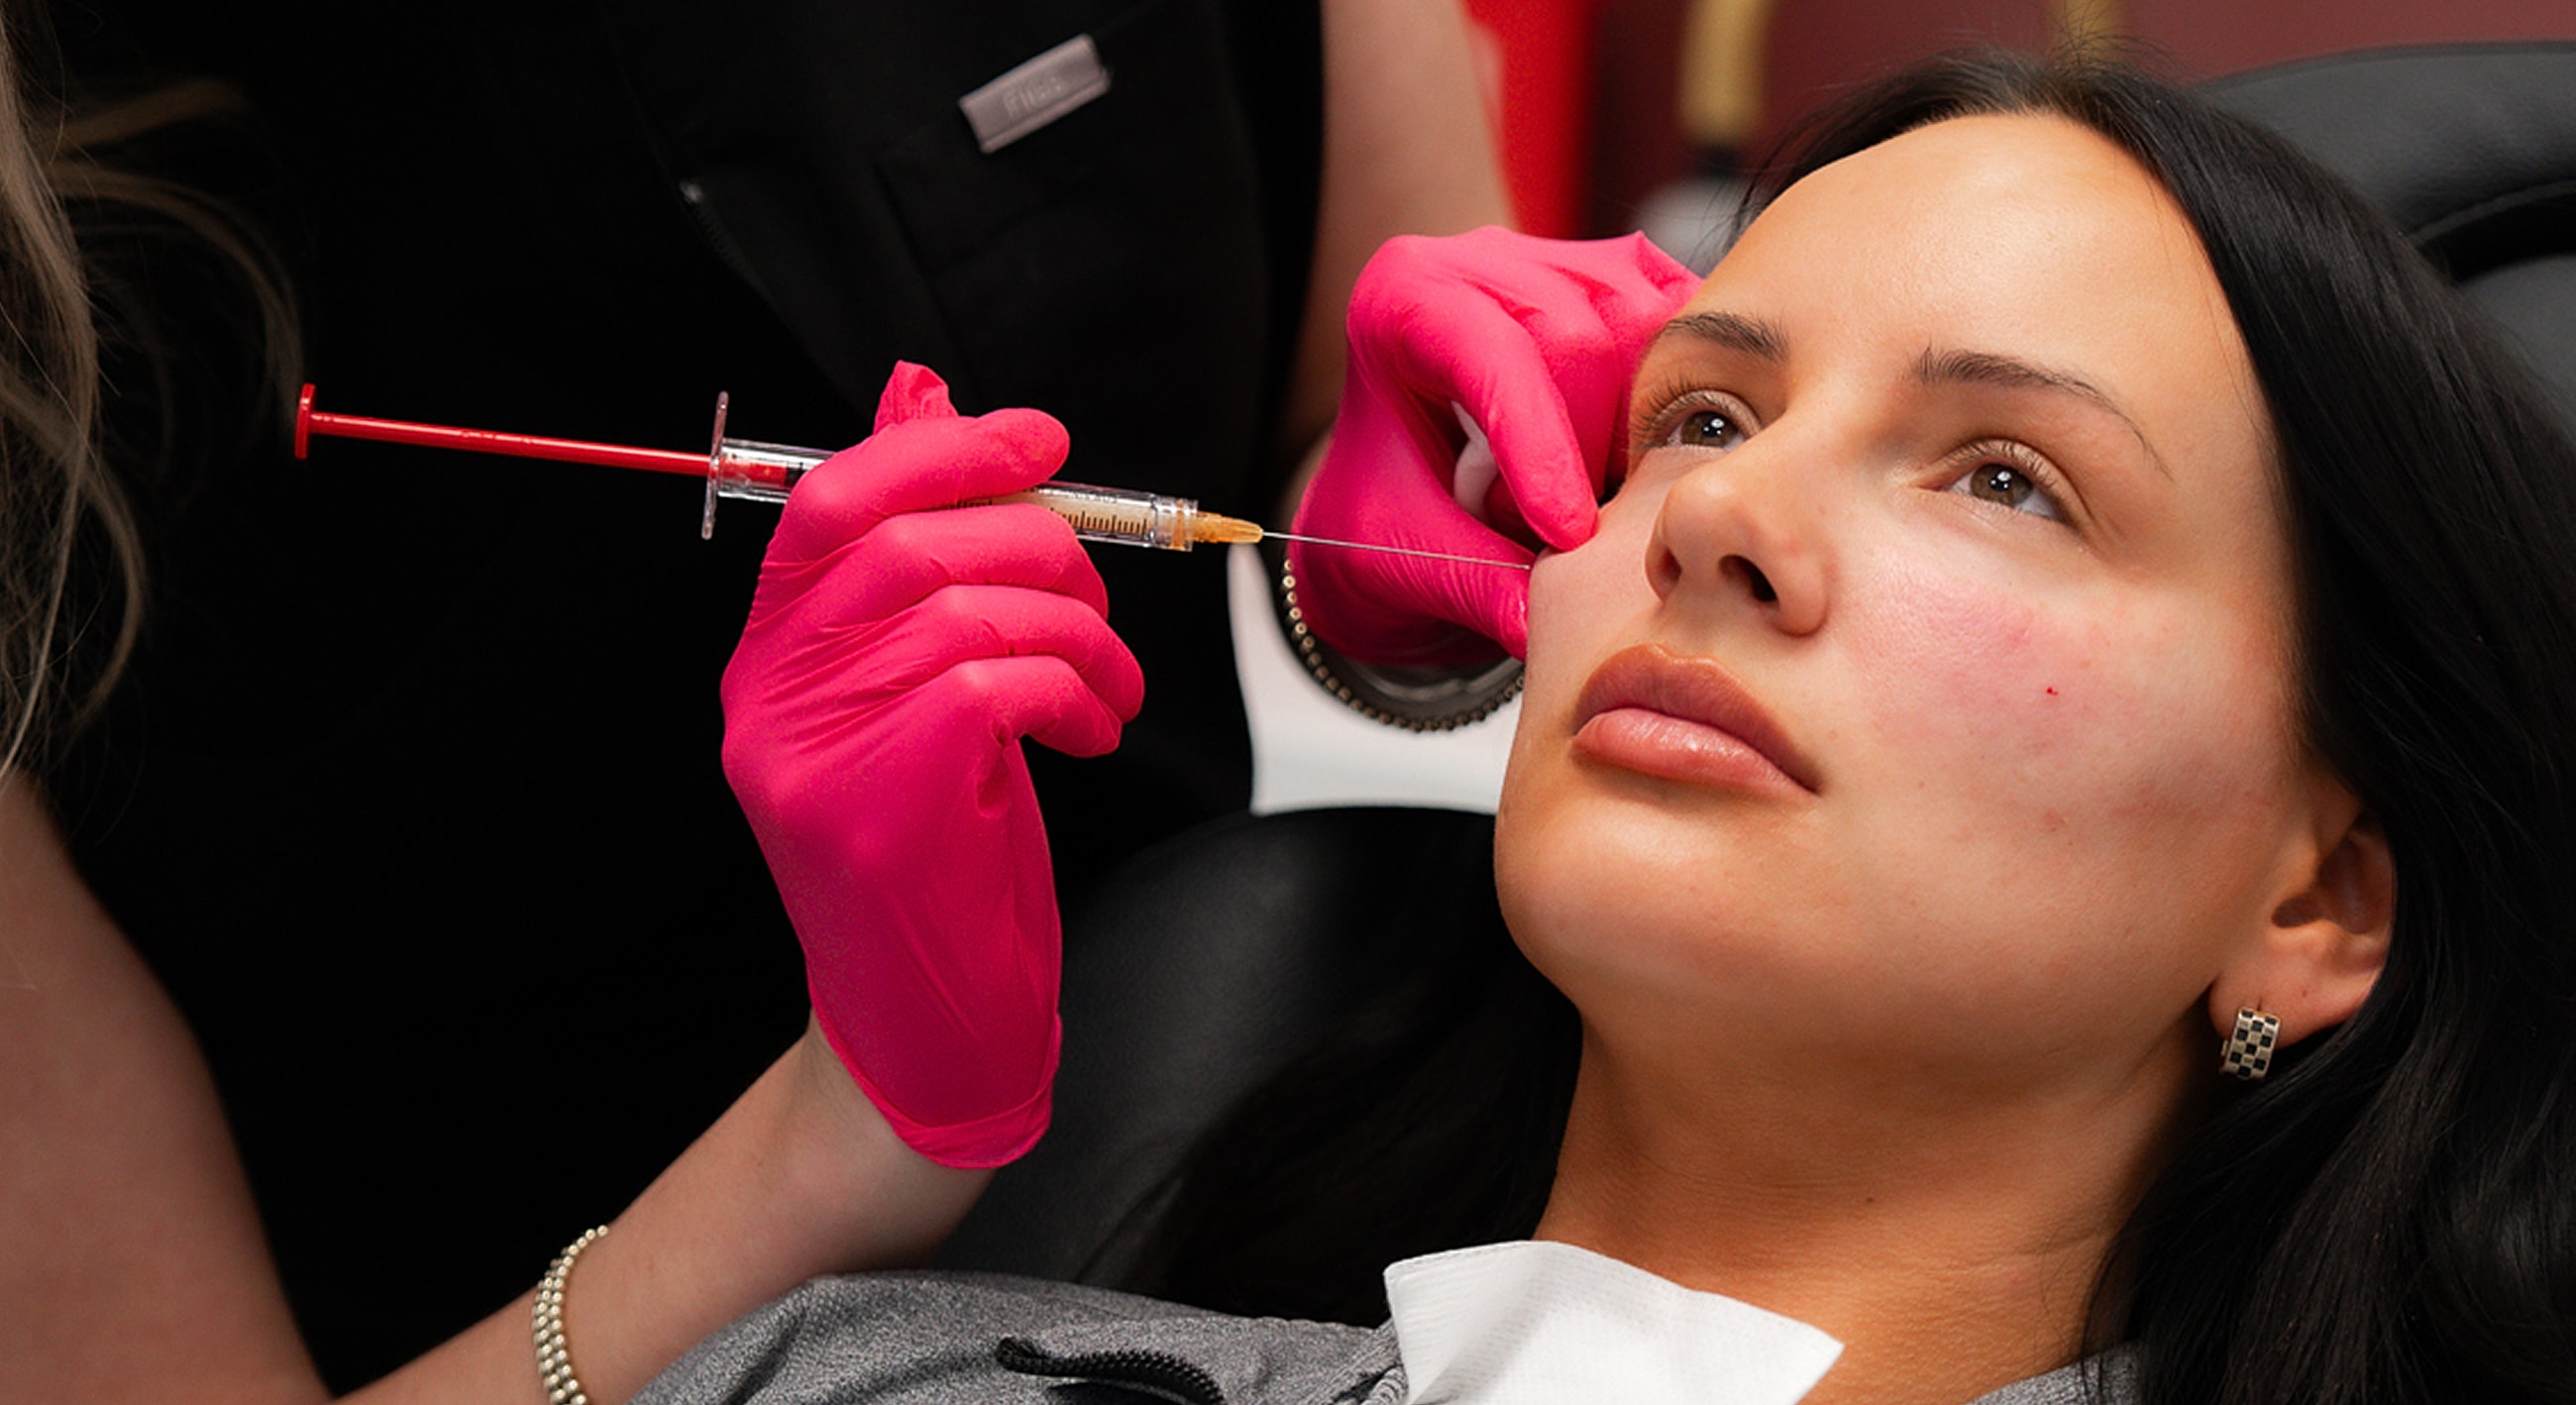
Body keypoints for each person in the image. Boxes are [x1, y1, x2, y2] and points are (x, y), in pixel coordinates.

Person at [645, 49, 2576, 1405]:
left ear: (2317, 896)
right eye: (1701, 418)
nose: (1714, 517)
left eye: (2006, 478)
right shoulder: (853, 1373)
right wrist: (853, 1123)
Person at [26, 0, 1513, 1388]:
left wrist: (1407, 533)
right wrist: (851, 1133)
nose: (1714, 519)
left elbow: (1355, 410)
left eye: (1717, 415)